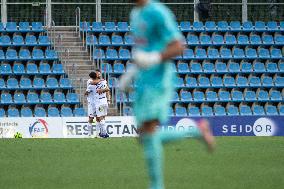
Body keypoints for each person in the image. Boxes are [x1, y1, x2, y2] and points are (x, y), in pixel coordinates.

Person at [119, 0, 216, 189]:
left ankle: (156, 186)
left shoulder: (158, 12)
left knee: (149, 131)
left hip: (159, 79)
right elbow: (142, 50)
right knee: (143, 136)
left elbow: (178, 46)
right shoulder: (135, 14)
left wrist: (154, 58)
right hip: (144, 79)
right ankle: (197, 131)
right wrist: (130, 73)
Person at [86, 70, 111, 138]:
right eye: (98, 74)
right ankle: (97, 134)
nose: (99, 75)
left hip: (99, 102)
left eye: (100, 74)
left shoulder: (92, 85)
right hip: (97, 102)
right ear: (96, 75)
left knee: (100, 117)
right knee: (97, 117)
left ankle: (103, 133)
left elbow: (87, 92)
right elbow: (107, 88)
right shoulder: (102, 81)